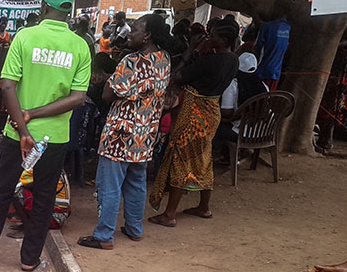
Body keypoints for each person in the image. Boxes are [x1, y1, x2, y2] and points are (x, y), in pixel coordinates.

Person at [0, 0, 92, 271]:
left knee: (2, 190)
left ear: (43, 7)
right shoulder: (80, 46)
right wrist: (37, 116)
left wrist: (24, 127)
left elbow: (7, 85)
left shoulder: (25, 37)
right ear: (70, 12)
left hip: (16, 133)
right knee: (44, 197)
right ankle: (30, 259)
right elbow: (77, 98)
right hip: (54, 137)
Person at [77, 15, 171, 250]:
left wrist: (110, 79)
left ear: (147, 35)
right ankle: (134, 228)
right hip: (145, 134)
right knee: (136, 183)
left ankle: (104, 236)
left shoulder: (131, 61)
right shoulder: (164, 59)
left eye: (136, 29)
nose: (130, 33)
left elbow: (108, 95)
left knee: (109, 186)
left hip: (121, 133)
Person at [149, 22, 239, 226]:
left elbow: (177, 78)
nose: (209, 38)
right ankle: (204, 207)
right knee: (204, 156)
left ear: (223, 40)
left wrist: (191, 51)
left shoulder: (210, 61)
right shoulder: (233, 60)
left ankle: (169, 214)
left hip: (194, 111)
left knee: (182, 157)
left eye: (213, 35)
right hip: (212, 111)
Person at [316, 22, 347, 153]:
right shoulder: (335, 28)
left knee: (333, 107)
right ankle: (324, 138)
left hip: (339, 75)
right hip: (331, 72)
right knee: (325, 105)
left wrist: (336, 44)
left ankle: (327, 139)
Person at [255, 14, 291, 90]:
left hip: (262, 70)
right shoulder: (288, 28)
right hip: (276, 72)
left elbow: (258, 47)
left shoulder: (267, 26)